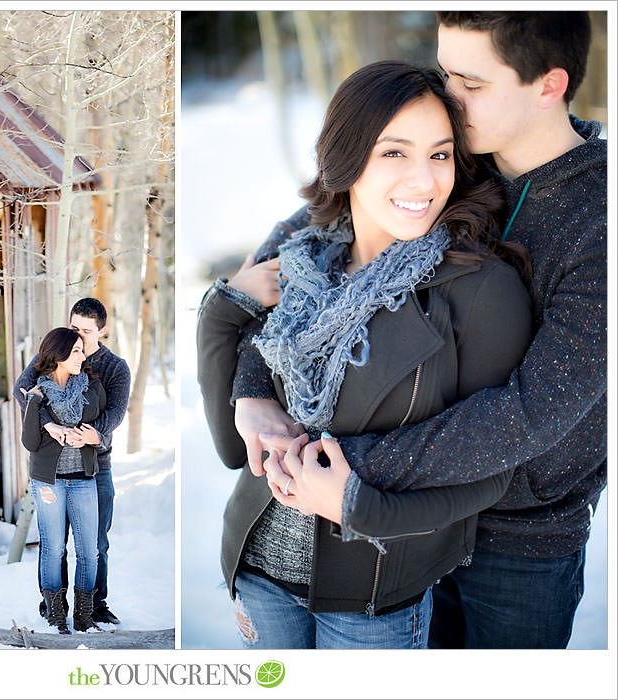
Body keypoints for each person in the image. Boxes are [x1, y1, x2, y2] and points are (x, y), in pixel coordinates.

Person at [230, 11, 605, 649]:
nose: (449, 102)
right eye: (444, 72)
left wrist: (345, 462)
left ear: (548, 86)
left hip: (514, 543)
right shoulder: (459, 156)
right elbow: (311, 236)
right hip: (392, 533)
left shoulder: (601, 220)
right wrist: (253, 387)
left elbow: (537, 409)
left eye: (471, 83)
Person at [197, 60, 533, 649]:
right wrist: (223, 317)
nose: (424, 181)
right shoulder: (301, 261)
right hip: (257, 574)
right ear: (347, 159)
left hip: (374, 600)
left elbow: (488, 477)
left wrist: (358, 506)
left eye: (440, 154)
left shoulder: (482, 291)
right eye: (395, 153)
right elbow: (232, 451)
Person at [14, 298, 131, 625]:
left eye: (85, 332)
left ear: (102, 332)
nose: (77, 335)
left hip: (95, 465)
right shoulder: (53, 354)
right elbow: (22, 390)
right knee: (53, 545)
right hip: (51, 470)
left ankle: (94, 604)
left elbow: (114, 412)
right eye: (73, 327)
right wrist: (43, 424)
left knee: (95, 543)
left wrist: (95, 435)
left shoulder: (112, 368)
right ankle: (52, 606)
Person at [20, 327, 107, 633]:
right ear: (57, 356)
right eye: (75, 352)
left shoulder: (91, 388)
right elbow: (30, 442)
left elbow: (101, 432)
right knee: (54, 547)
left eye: (82, 351)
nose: (82, 357)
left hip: (83, 479)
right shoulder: (38, 393)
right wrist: (35, 409)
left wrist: (92, 437)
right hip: (49, 481)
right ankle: (55, 613)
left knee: (88, 550)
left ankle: (84, 615)